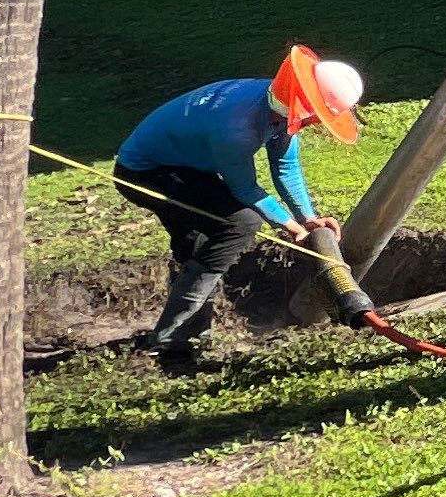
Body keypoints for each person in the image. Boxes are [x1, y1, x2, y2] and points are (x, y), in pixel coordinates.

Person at [114, 47, 363, 364]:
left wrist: (308, 218)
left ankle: (182, 339)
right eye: (319, 115)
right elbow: (245, 188)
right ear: (306, 104)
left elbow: (285, 168)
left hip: (186, 168)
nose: (317, 123)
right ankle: (170, 341)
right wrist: (289, 226)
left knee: (200, 245)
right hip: (145, 174)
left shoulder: (278, 104)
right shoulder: (237, 125)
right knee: (240, 223)